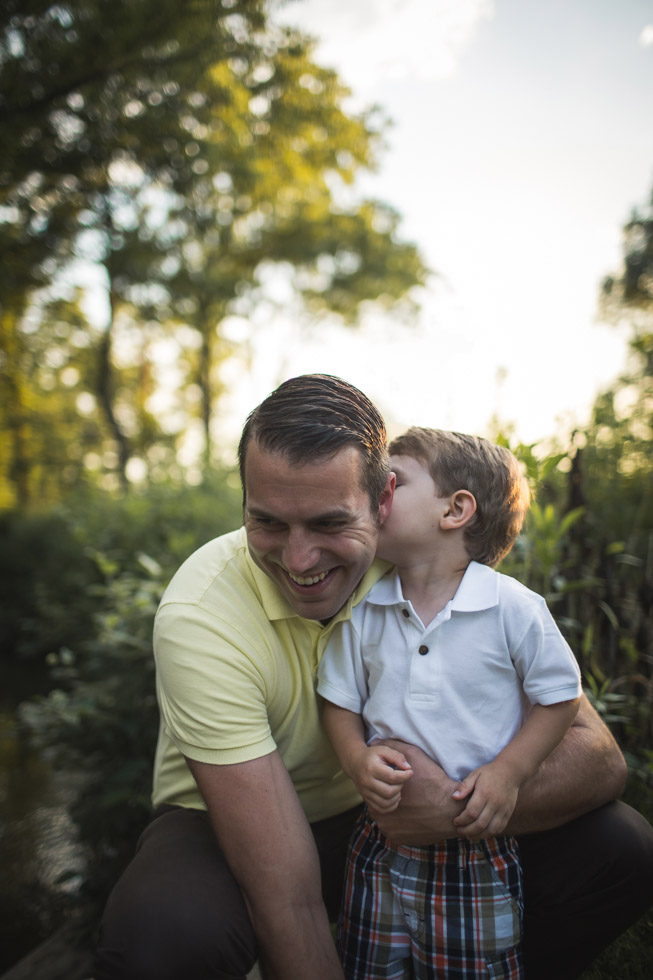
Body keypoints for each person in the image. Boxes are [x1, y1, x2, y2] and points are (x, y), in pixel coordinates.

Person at [93, 375, 653, 980]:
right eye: (269, 523)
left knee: (621, 847)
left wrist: (448, 809)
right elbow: (288, 893)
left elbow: (599, 757)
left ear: (383, 500)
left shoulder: (421, 560)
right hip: (233, 817)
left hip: (394, 811)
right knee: (165, 936)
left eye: (330, 524)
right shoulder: (200, 617)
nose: (300, 560)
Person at [317, 427, 582, 978]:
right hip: (381, 841)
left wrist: (510, 772)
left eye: (392, 482)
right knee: (369, 966)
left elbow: (560, 698)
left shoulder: (512, 607)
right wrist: (355, 759)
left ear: (456, 509)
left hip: (475, 845)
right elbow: (339, 703)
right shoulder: (365, 607)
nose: (374, 495)